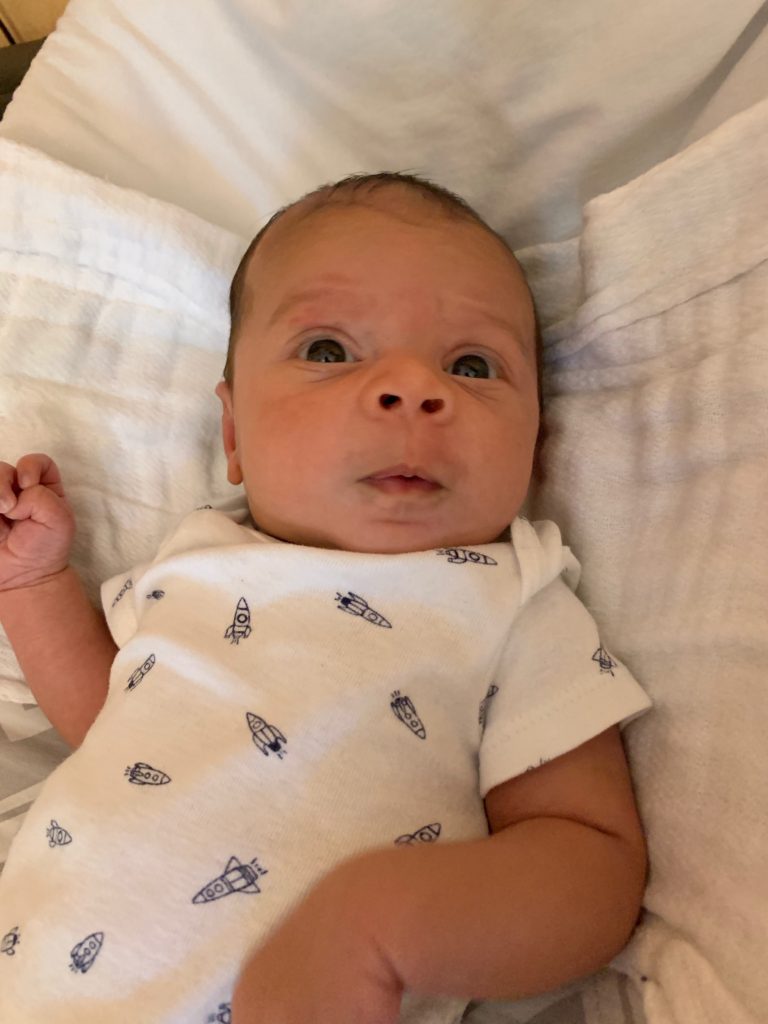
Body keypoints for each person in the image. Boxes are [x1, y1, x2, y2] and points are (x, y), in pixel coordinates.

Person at [0, 172, 651, 1024]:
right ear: (233, 434)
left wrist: (380, 928)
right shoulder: (197, 560)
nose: (411, 387)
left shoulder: (512, 602)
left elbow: (592, 863)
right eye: (329, 350)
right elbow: (114, 726)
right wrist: (32, 583)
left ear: (535, 448)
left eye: (472, 365)